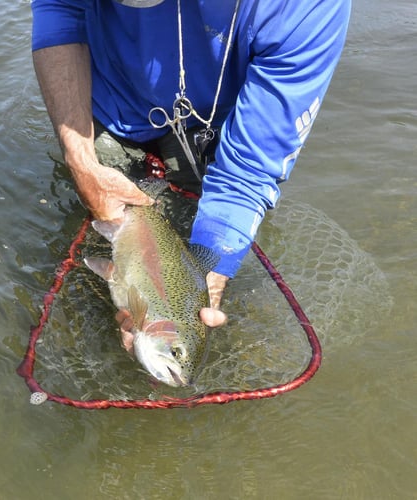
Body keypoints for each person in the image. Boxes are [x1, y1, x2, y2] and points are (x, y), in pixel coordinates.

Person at [30, 0, 351, 334]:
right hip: (107, 100)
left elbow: (248, 170)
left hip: (215, 119)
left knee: (210, 253)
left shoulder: (303, 7)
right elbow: (59, 6)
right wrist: (79, 158)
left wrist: (210, 275)